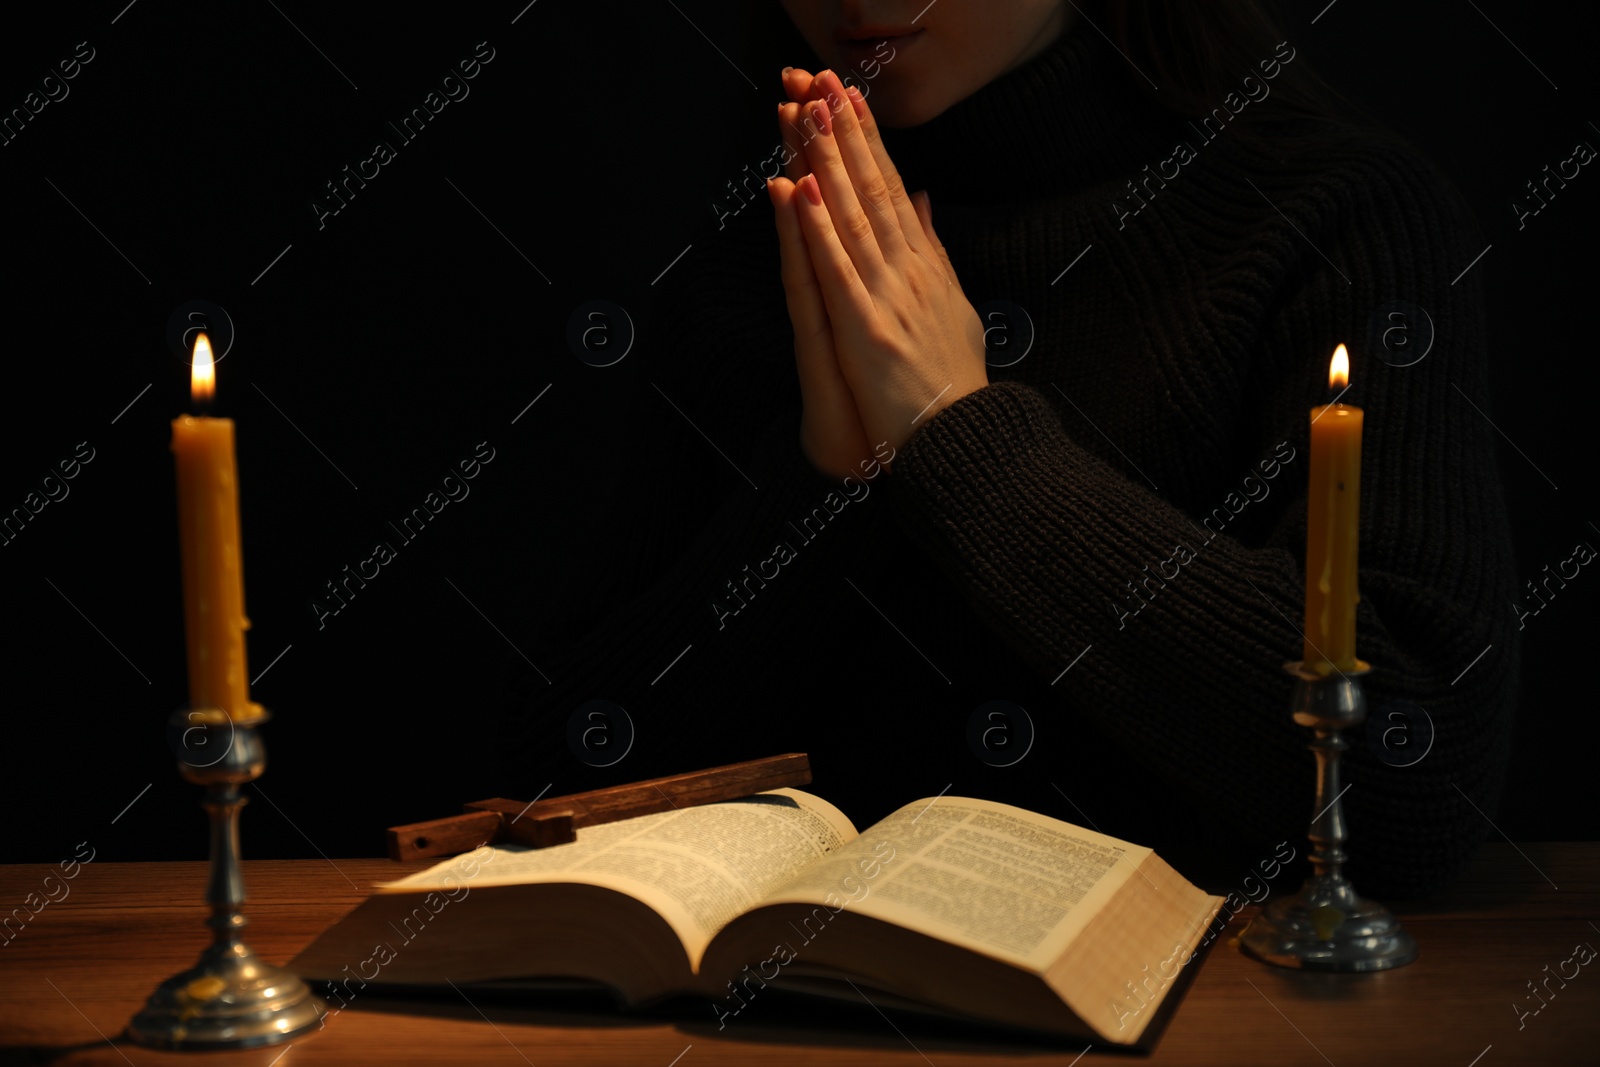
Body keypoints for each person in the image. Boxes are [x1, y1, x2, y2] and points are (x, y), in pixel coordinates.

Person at [500, 0, 1518, 899]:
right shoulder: (756, 250)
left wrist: (957, 435)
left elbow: (1412, 774)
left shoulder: (1340, 222)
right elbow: (542, 785)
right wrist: (821, 490)